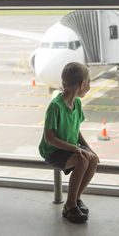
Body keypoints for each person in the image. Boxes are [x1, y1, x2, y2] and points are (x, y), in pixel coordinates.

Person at [39, 62, 99, 224]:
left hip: (69, 147)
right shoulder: (55, 106)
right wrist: (76, 149)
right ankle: (70, 206)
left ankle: (75, 199)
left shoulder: (77, 103)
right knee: (82, 159)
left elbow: (76, 130)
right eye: (89, 83)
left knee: (91, 159)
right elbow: (49, 138)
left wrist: (89, 149)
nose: (89, 86)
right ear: (81, 85)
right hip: (53, 150)